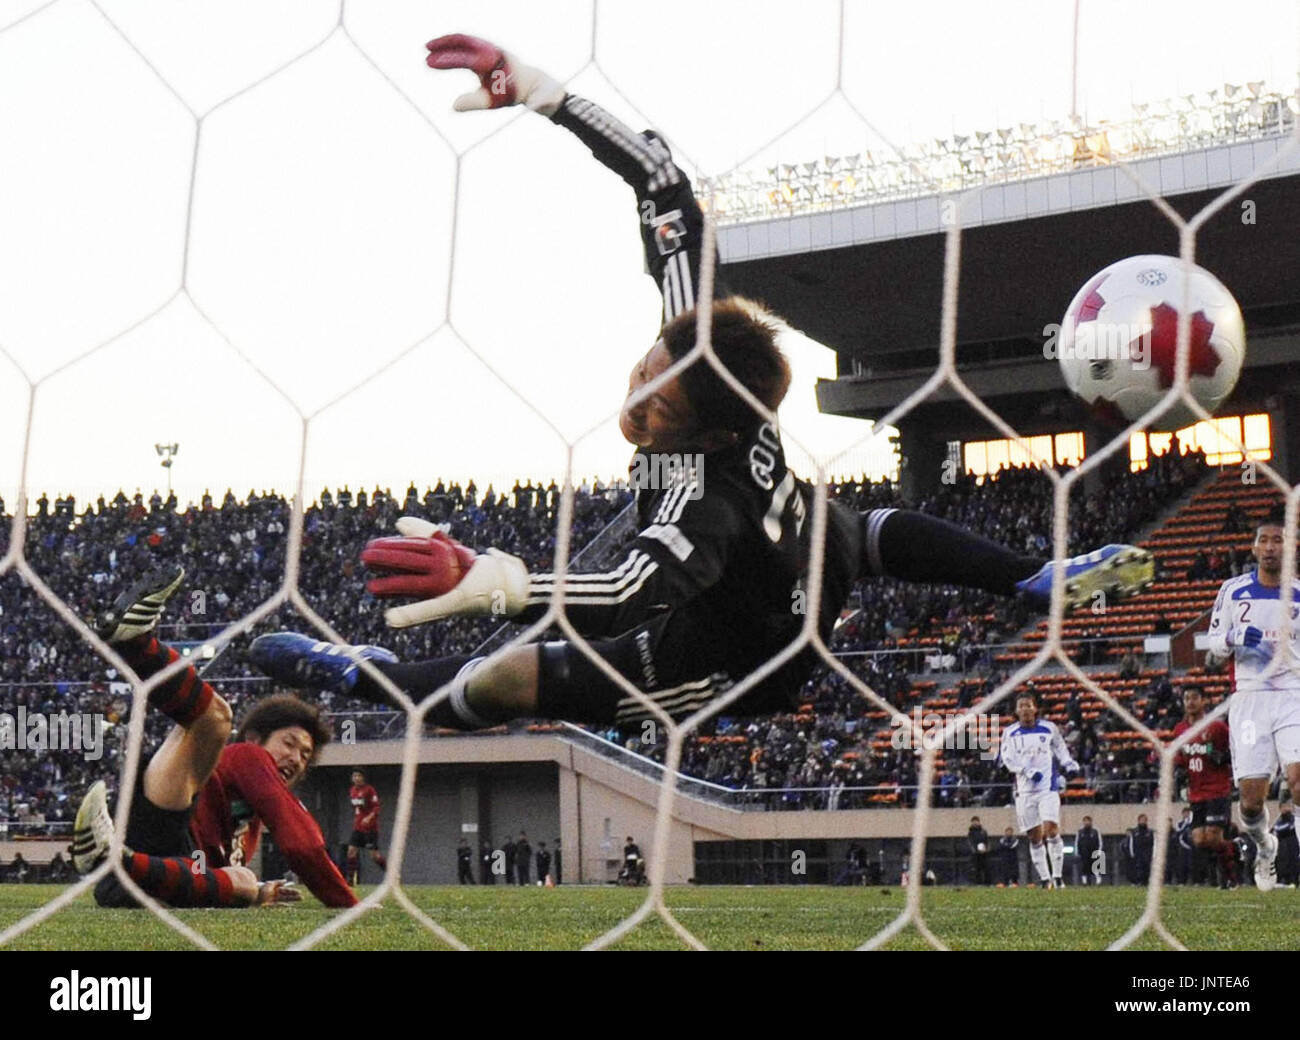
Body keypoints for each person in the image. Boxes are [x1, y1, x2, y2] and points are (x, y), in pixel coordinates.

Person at [248, 34, 1155, 749]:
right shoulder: (701, 341)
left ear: (713, 435)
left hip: (745, 654)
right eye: (648, 373)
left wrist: (498, 581)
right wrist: (543, 93)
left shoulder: (707, 501)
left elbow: (629, 588)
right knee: (868, 528)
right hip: (812, 545)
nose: (638, 399)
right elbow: (661, 180)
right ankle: (1035, 575)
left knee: (495, 686)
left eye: (659, 407)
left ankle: (362, 673)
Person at [70, 567, 355, 909]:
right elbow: (301, 845)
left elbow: (218, 877)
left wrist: (257, 893)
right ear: (254, 738)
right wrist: (345, 903)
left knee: (245, 880)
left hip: (154, 880)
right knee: (214, 720)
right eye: (290, 743)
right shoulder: (246, 758)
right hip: (161, 835)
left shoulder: (247, 821)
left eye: (306, 754)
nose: (296, 758)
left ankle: (113, 860)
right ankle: (136, 645)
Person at [1205, 504, 1299, 891]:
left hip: (1294, 692)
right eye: (1265, 540)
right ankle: (1265, 847)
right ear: (1254, 547)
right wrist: (1234, 637)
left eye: (1279, 540)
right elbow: (1212, 642)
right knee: (1250, 803)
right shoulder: (1232, 591)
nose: (1272, 547)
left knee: (1298, 780)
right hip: (1250, 698)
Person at [998, 693, 1080, 888]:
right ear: (1016, 711)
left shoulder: (1049, 728)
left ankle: (1058, 877)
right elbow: (1007, 759)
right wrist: (1026, 771)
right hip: (1024, 792)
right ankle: (1045, 879)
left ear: (1035, 709)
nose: (1025, 709)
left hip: (1047, 788)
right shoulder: (1009, 732)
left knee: (1051, 829)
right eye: (1021, 706)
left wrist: (1069, 765)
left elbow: (1061, 749)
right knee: (1034, 837)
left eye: (1028, 705)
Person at [1171, 687, 1235, 889]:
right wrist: (1179, 772)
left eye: (1194, 698)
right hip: (1196, 792)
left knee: (1214, 837)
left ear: (1203, 701)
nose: (1190, 702)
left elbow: (1236, 749)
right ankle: (1229, 855)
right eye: (1186, 698)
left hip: (1217, 789)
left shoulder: (1216, 726)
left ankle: (1230, 875)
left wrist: (1223, 757)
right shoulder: (1180, 730)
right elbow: (1180, 757)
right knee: (1199, 840)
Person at [345, 769, 387, 886]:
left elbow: (376, 808)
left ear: (363, 778)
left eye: (359, 776)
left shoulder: (369, 790)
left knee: (374, 856)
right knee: (351, 852)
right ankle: (350, 879)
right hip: (358, 827)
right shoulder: (352, 790)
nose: (357, 778)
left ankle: (391, 875)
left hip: (370, 829)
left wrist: (369, 818)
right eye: (354, 776)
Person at [1272, 799, 1298, 887]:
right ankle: (1285, 879)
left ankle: (1294, 880)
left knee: (1294, 860)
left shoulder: (1293, 818)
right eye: (1284, 806)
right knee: (1283, 860)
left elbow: (1289, 827)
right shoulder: (1279, 821)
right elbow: (1277, 829)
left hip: (1293, 843)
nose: (1286, 808)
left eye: (1288, 806)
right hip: (1283, 845)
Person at [1125, 814, 1154, 884]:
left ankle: (1146, 883)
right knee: (1138, 870)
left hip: (1147, 855)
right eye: (1141, 820)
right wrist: (1132, 854)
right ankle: (1138, 883)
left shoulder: (1150, 832)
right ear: (1138, 821)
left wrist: (1153, 854)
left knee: (1147, 870)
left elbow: (1153, 844)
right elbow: (1131, 844)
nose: (1143, 821)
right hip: (1138, 855)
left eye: (1144, 820)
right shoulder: (1134, 832)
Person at [966, 816, 990, 885]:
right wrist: (975, 850)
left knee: (986, 868)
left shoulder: (983, 831)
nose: (975, 823)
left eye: (976, 821)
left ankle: (987, 883)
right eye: (973, 822)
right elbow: (970, 842)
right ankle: (978, 883)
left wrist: (986, 849)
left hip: (984, 853)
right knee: (976, 869)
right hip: (975, 854)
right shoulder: (970, 833)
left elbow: (987, 841)